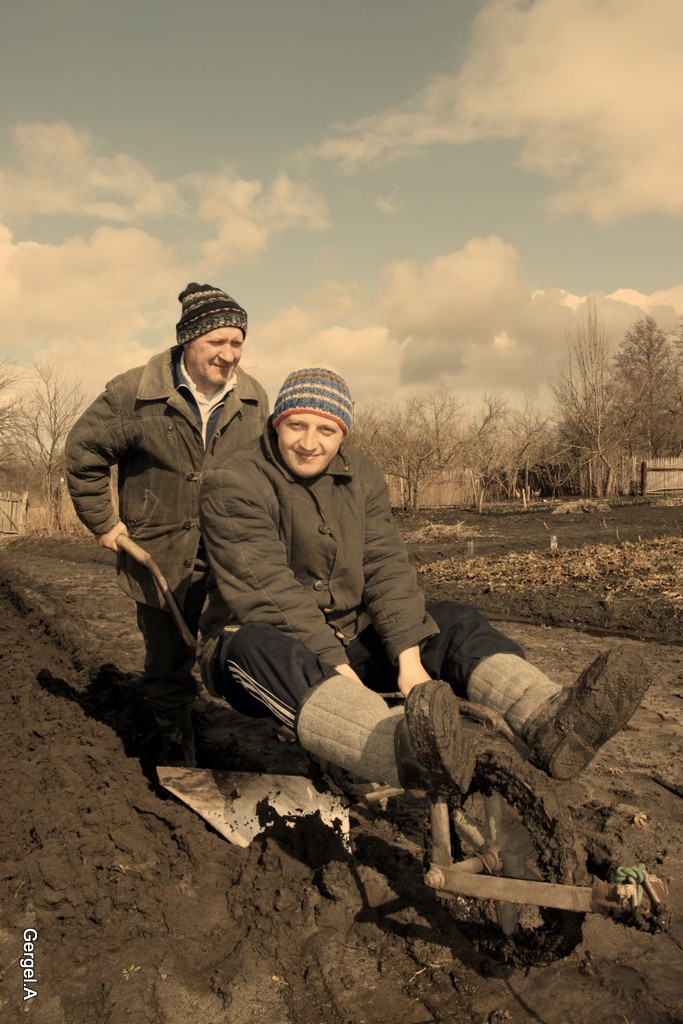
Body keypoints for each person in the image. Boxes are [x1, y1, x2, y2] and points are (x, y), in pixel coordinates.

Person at [197, 367, 649, 793]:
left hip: (348, 640)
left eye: (326, 430)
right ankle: (396, 747)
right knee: (258, 647)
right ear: (277, 423)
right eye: (297, 426)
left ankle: (549, 721)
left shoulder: (361, 476)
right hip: (259, 644)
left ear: (343, 434)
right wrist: (339, 672)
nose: (309, 442)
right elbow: (269, 592)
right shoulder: (233, 480)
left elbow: (385, 565)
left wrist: (408, 660)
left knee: (450, 621)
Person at [65, 283, 269, 767]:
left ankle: (251, 729)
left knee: (235, 645)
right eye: (216, 341)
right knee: (167, 657)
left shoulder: (254, 399)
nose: (228, 354)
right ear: (188, 340)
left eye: (237, 342)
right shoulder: (134, 394)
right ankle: (175, 747)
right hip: (158, 553)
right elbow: (84, 455)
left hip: (229, 553)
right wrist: (106, 523)